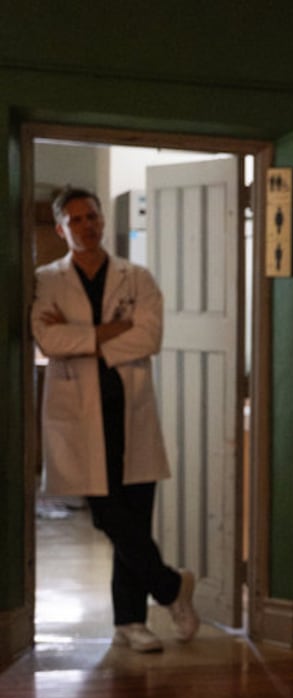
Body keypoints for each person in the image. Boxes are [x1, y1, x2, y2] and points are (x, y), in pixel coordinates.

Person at [32, 186, 198, 653]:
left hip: (130, 409)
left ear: (102, 221)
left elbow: (148, 337)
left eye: (92, 217)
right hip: (78, 414)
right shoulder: (47, 280)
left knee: (135, 514)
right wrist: (107, 334)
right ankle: (170, 587)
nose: (86, 226)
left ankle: (130, 622)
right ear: (62, 228)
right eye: (76, 220)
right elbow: (47, 340)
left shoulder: (136, 278)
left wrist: (81, 337)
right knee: (107, 513)